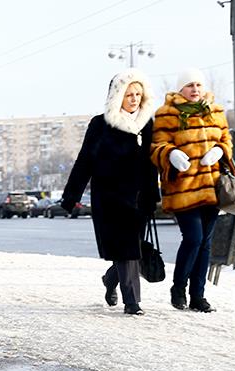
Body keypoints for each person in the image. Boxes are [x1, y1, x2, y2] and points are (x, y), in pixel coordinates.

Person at [61, 68, 160, 315]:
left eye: (138, 93)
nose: (135, 98)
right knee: (126, 247)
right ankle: (132, 302)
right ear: (117, 96)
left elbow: (152, 164)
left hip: (139, 198)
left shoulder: (147, 124)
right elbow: (85, 161)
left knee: (131, 248)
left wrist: (153, 195)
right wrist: (71, 196)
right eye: (129, 94)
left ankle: (110, 280)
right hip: (110, 198)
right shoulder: (100, 125)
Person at [150, 69, 232, 313]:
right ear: (180, 89)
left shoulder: (215, 111)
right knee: (193, 238)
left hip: (211, 186)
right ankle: (178, 288)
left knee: (205, 243)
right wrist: (171, 153)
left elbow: (227, 140)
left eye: (198, 84)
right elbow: (156, 146)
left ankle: (198, 296)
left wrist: (219, 150)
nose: (195, 89)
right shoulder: (167, 114)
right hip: (183, 188)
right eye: (189, 85)